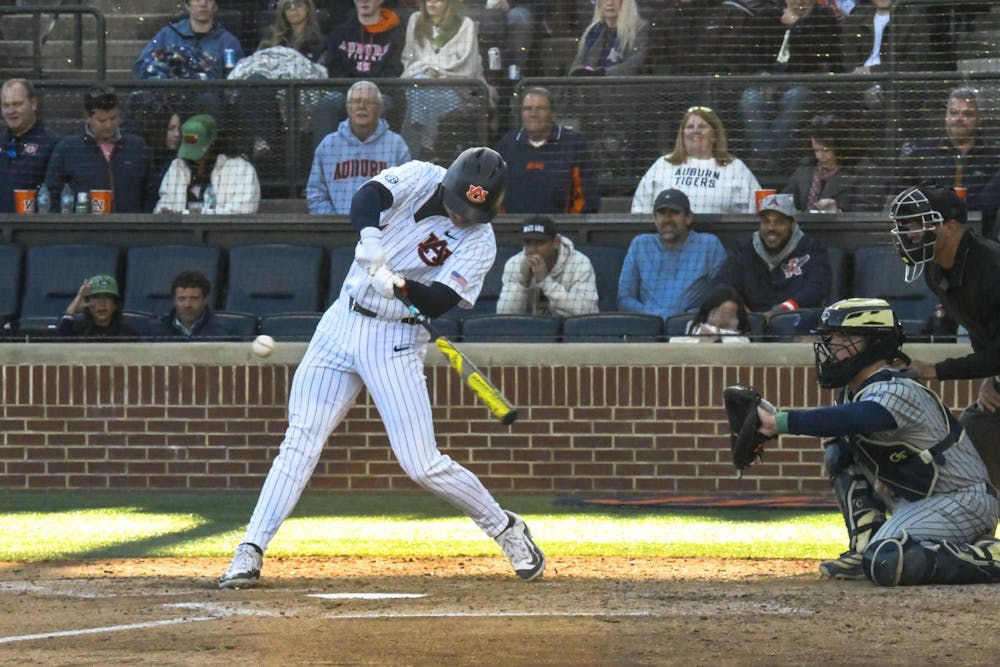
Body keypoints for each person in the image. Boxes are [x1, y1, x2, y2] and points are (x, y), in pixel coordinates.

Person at [219, 146, 546, 588]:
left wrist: (396, 284)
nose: (465, 217)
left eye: (476, 211)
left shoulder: (479, 241)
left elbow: (439, 301)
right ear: (447, 183)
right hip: (341, 322)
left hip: (396, 337)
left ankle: (505, 529)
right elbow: (367, 197)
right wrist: (370, 240)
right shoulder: (419, 175)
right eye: (461, 205)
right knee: (301, 439)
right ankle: (250, 549)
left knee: (421, 463)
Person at [755, 297, 1000, 586]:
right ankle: (864, 544)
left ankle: (990, 556)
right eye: (830, 336)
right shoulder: (853, 392)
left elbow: (864, 417)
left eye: (844, 336)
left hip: (962, 499)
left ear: (875, 343)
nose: (832, 344)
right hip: (918, 496)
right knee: (838, 451)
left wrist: (779, 423)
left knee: (886, 559)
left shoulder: (897, 387)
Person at [888, 185, 1000, 488]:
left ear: (949, 227)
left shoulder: (993, 270)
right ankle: (973, 530)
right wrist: (990, 378)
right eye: (907, 225)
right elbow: (983, 330)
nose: (909, 233)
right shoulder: (936, 272)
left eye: (917, 224)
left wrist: (936, 369)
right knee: (970, 448)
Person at [737, 0, 842, 164]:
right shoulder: (769, 15)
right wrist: (761, 73)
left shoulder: (824, 17)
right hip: (771, 81)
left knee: (795, 97)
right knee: (750, 99)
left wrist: (797, 24)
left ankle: (767, 158)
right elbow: (747, 52)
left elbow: (823, 54)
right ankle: (768, 156)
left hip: (806, 82)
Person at [399, 0, 489, 161]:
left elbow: (468, 67)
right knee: (420, 82)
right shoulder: (415, 19)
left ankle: (424, 149)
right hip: (420, 85)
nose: (431, 3)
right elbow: (408, 58)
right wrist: (426, 69)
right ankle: (431, 146)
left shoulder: (465, 24)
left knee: (420, 91)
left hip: (454, 89)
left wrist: (437, 72)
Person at [618, 188, 726, 320]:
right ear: (654, 218)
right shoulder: (640, 244)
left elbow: (722, 295)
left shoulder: (709, 244)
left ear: (688, 217)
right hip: (649, 328)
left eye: (674, 213)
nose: (667, 219)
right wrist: (654, 317)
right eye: (662, 213)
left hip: (691, 326)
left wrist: (684, 318)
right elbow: (624, 298)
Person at [713, 193, 831, 314]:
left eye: (779, 222)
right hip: (752, 324)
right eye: (766, 221)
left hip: (796, 322)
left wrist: (782, 310)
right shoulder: (743, 250)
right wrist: (741, 310)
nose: (771, 228)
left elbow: (816, 288)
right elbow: (722, 285)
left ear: (792, 225)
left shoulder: (811, 248)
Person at [44, 86, 155, 214]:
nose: (109, 125)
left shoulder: (137, 147)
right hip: (83, 230)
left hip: (130, 229)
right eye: (102, 120)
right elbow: (51, 194)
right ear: (87, 116)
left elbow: (151, 192)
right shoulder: (67, 148)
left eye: (113, 118)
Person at [631, 106, 760, 215]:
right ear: (682, 134)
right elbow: (640, 208)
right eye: (689, 127)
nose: (695, 131)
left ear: (714, 135)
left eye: (702, 126)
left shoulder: (735, 167)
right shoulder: (663, 164)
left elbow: (755, 208)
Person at [307, 80, 411, 214]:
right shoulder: (328, 145)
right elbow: (315, 194)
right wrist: (335, 223)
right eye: (356, 101)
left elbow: (408, 192)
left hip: (383, 230)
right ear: (347, 107)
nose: (361, 106)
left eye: (368, 102)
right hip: (337, 229)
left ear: (380, 108)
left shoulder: (396, 145)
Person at [494, 86, 599, 214]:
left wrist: (570, 227)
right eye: (528, 109)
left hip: (563, 230)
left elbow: (586, 197)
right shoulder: (506, 146)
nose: (533, 114)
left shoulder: (574, 145)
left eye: (540, 109)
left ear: (553, 115)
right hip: (513, 230)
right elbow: (494, 192)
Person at [901, 87, 1000, 215]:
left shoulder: (994, 157)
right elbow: (901, 197)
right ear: (946, 116)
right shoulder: (923, 153)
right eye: (953, 113)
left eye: (967, 114)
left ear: (978, 119)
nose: (959, 118)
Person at [154, 113, 261, 214]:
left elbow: (244, 208)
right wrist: (164, 212)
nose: (193, 158)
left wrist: (204, 214)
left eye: (198, 151)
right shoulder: (178, 166)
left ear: (212, 145)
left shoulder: (240, 169)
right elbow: (164, 202)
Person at [496, 215, 599, 317]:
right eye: (528, 243)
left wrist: (545, 281)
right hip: (528, 330)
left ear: (556, 242)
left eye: (540, 243)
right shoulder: (514, 264)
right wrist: (523, 284)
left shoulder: (580, 263)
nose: (532, 250)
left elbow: (588, 312)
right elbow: (504, 316)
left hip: (566, 331)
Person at [133, 0, 245, 79]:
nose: (203, 3)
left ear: (215, 6)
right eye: (197, 0)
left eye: (209, 0)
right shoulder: (167, 35)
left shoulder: (229, 42)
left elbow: (238, 80)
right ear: (187, 5)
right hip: (170, 106)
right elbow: (141, 68)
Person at [782, 114, 870, 213]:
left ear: (840, 148)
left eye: (826, 150)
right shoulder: (805, 169)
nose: (819, 156)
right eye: (816, 150)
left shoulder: (862, 171)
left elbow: (868, 210)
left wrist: (837, 211)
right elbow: (786, 202)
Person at [1, 78, 59, 214]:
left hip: (32, 230)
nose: (11, 111)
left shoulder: (52, 144)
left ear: (33, 104)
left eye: (17, 104)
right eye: (6, 105)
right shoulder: (1, 142)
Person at [150, 270, 241, 339]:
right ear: (174, 300)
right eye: (182, 299)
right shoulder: (154, 331)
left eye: (194, 299)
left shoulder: (226, 331)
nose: (187, 305)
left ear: (205, 300)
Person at [567, 0, 650, 77]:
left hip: (621, 90)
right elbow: (577, 63)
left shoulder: (639, 29)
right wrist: (580, 73)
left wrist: (601, 73)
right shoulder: (593, 31)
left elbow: (634, 64)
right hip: (591, 89)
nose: (610, 3)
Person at [57, 275, 137, 340]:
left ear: (115, 305)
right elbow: (60, 351)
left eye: (108, 297)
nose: (102, 303)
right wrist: (72, 309)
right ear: (87, 303)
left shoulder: (127, 334)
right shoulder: (77, 331)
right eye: (96, 297)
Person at [668, 286, 752, 344]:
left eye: (730, 315)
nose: (723, 319)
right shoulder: (693, 329)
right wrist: (702, 343)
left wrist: (718, 342)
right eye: (718, 313)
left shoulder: (742, 340)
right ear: (708, 311)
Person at [258, 0, 328, 62]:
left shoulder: (320, 42)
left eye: (298, 4)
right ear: (283, 13)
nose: (293, 9)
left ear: (307, 8)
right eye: (288, 7)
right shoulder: (271, 39)